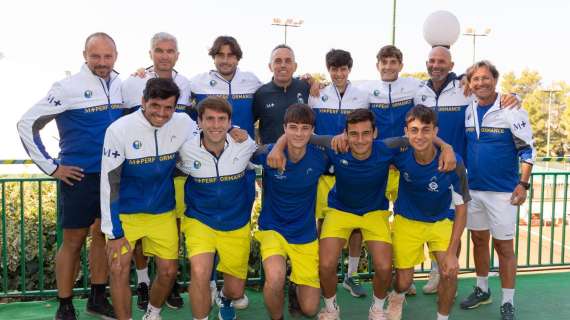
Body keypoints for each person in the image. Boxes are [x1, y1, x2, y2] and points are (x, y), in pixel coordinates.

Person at [268, 108, 454, 320]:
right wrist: (277, 147)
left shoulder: (387, 148)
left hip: (374, 212)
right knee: (326, 263)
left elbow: (421, 135)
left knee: (384, 266)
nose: (360, 139)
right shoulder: (336, 145)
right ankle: (331, 309)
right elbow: (301, 134)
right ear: (345, 134)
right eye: (353, 134)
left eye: (365, 133)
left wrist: (446, 147)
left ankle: (377, 309)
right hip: (340, 210)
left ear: (375, 134)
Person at [17, 32, 121, 320]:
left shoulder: (121, 84)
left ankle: (97, 297)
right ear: (85, 56)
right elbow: (26, 124)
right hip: (78, 176)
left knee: (103, 235)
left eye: (108, 56)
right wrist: (52, 167)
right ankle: (64, 304)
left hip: (111, 176)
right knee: (73, 241)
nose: (102, 62)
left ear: (116, 56)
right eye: (96, 56)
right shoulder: (66, 88)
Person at [414, 46, 520, 294]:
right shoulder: (418, 90)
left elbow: (490, 95)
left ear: (452, 65)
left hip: (459, 171)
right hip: (428, 166)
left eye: (442, 61)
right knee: (434, 220)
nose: (436, 65)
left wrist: (513, 95)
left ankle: (445, 275)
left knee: (456, 228)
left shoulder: (465, 89)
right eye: (431, 60)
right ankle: (436, 270)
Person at [101, 78, 199, 320]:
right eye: (155, 105)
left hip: (162, 211)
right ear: (143, 101)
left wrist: (233, 130)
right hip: (125, 213)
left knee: (168, 272)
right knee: (118, 269)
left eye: (169, 108)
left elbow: (211, 128)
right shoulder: (119, 129)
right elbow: (108, 182)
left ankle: (152, 314)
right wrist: (113, 231)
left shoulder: (183, 122)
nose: (162, 113)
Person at [189, 35, 260, 309]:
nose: (226, 60)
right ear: (213, 57)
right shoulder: (196, 83)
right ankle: (206, 279)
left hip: (242, 164)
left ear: (238, 58)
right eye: (221, 54)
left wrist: (309, 81)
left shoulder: (252, 80)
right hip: (207, 160)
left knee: (235, 219)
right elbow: (172, 105)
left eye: (231, 55)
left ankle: (226, 292)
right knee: (206, 227)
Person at [121, 31, 191, 311]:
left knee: (170, 226)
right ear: (150, 53)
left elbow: (193, 121)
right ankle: (142, 282)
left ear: (177, 55)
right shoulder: (134, 81)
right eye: (159, 50)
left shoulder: (186, 83)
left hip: (173, 170)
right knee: (138, 235)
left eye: (170, 51)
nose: (164, 55)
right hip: (137, 172)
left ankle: (168, 284)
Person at [459, 61, 534, 320]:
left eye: (485, 78)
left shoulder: (511, 108)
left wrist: (523, 184)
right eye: (475, 79)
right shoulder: (467, 109)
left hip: (503, 192)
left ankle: (508, 301)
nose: (481, 83)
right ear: (469, 84)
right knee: (478, 241)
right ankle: (482, 290)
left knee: (504, 247)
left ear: (495, 79)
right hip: (474, 190)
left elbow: (528, 150)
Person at [384, 105, 470, 320]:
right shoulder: (400, 152)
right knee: (403, 281)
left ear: (435, 132)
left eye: (426, 129)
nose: (420, 135)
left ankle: (443, 318)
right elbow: (366, 145)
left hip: (440, 222)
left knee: (449, 272)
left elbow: (462, 208)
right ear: (406, 131)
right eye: (414, 130)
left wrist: (452, 253)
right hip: (407, 221)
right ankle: (396, 296)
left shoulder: (453, 162)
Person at [177, 97, 257, 320]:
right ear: (199, 122)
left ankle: (225, 297)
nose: (215, 125)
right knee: (200, 273)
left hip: (236, 222)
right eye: (209, 119)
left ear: (230, 122)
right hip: (200, 219)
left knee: (236, 290)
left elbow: (264, 152)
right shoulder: (185, 149)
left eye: (222, 119)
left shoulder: (244, 144)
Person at [252, 104, 328, 320]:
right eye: (293, 127)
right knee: (275, 278)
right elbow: (242, 149)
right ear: (284, 128)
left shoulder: (320, 158)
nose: (298, 133)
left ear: (312, 130)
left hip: (304, 234)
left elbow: (346, 148)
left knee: (311, 309)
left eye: (305, 128)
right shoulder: (268, 155)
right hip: (272, 229)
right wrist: (277, 146)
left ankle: (296, 285)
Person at [310, 48, 369, 298]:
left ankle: (351, 275)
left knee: (356, 225)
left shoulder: (362, 96)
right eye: (334, 69)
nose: (338, 73)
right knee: (323, 223)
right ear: (328, 69)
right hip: (324, 171)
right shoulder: (316, 94)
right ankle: (327, 273)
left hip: (353, 169)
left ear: (349, 69)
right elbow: (309, 130)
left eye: (343, 69)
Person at [253, 44, 310, 144]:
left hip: (301, 156)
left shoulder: (306, 88)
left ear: (295, 66)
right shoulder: (260, 94)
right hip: (271, 156)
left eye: (288, 61)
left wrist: (316, 83)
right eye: (278, 61)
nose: (283, 65)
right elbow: (249, 123)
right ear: (270, 66)